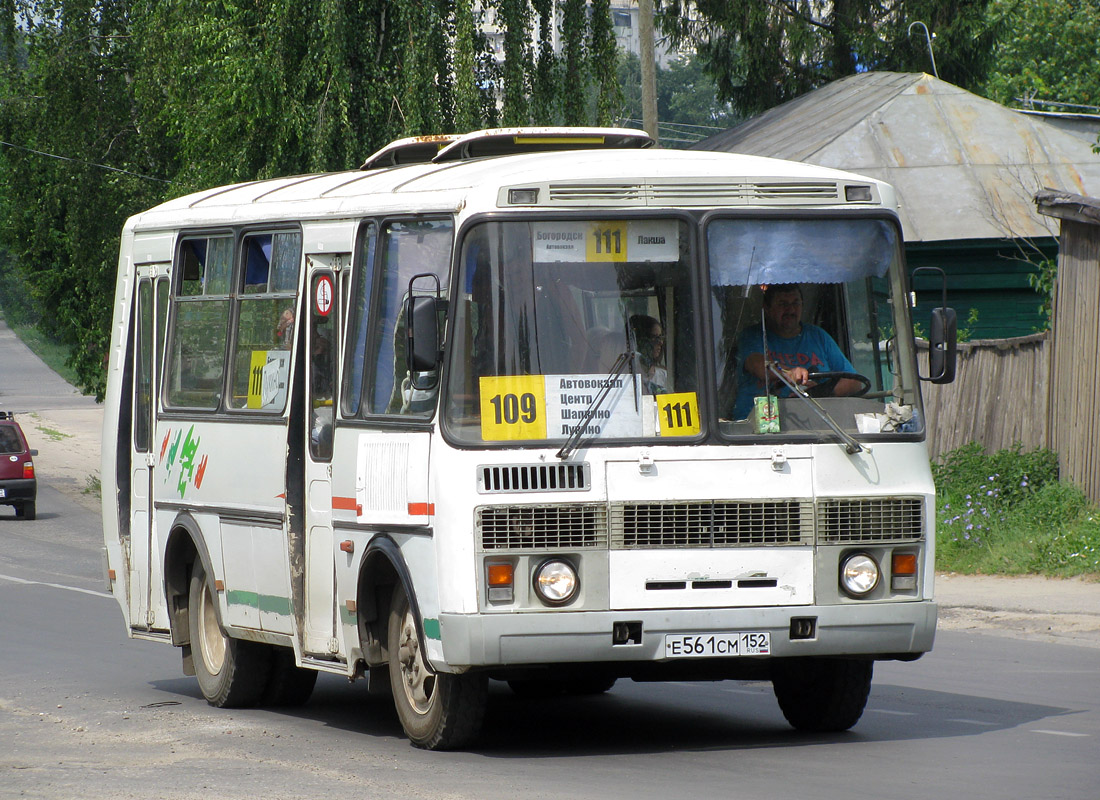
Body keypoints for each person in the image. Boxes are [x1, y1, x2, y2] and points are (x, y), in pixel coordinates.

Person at [732, 284, 862, 419]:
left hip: (817, 426)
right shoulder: (752, 336)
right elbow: (758, 365)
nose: (791, 309)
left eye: (796, 303)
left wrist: (820, 392)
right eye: (783, 304)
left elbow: (853, 382)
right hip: (755, 429)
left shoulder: (818, 336)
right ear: (767, 307)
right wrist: (789, 373)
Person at [629, 314, 668, 393]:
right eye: (654, 337)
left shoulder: (662, 376)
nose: (660, 342)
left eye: (661, 337)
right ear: (640, 341)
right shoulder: (625, 375)